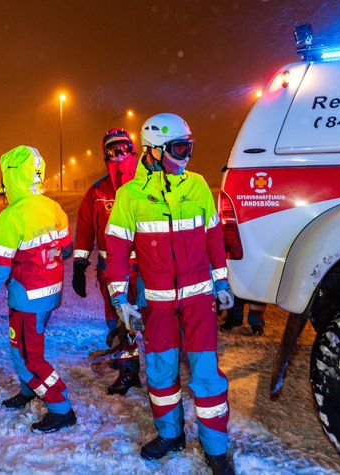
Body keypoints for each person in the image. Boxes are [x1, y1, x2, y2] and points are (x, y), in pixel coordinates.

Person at [105, 114, 235, 474]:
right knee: (161, 374)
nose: (187, 157)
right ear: (155, 152)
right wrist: (120, 300)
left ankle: (216, 449)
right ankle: (170, 434)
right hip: (157, 304)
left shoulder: (197, 187)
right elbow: (115, 250)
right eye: (180, 149)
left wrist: (222, 283)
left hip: (198, 301)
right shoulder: (130, 196)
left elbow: (213, 239)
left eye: (189, 148)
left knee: (206, 375)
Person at [0, 145, 76, 433]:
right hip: (50, 293)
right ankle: (29, 388)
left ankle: (61, 408)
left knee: (30, 355)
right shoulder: (53, 207)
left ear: (11, 177)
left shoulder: (12, 216)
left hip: (27, 297)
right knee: (22, 346)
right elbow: (65, 249)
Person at [72, 128, 141, 395]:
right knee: (118, 319)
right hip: (110, 269)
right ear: (105, 155)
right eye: (113, 151)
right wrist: (80, 264)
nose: (119, 155)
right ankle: (128, 370)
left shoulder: (145, 188)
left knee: (154, 319)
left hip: (145, 267)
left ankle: (163, 371)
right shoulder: (97, 192)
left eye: (124, 148)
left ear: (133, 150)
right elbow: (86, 229)